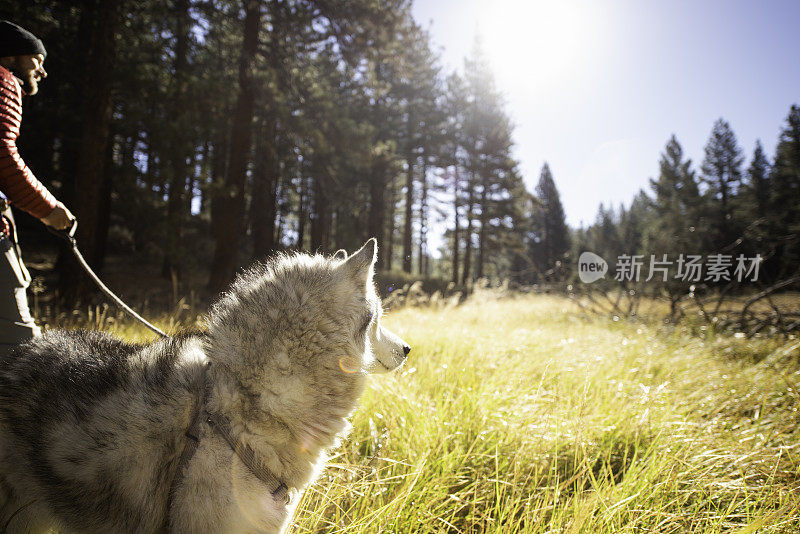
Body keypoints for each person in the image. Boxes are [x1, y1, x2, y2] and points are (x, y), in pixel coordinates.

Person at [0, 20, 73, 354]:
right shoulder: (3, 80)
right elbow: (3, 155)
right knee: (20, 349)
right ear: (11, 56)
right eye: (37, 59)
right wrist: (51, 210)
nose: (42, 71)